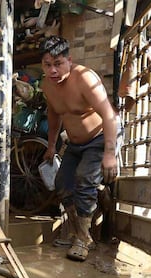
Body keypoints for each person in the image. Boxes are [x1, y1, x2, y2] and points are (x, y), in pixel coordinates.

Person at [40, 36, 118, 262]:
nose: (53, 70)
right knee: (62, 184)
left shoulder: (85, 78)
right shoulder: (47, 84)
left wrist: (110, 153)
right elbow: (54, 114)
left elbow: (109, 115)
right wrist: (52, 145)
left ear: (69, 60)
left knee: (84, 179)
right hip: (74, 143)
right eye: (47, 65)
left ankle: (83, 240)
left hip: (99, 138)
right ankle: (80, 232)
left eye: (58, 63)